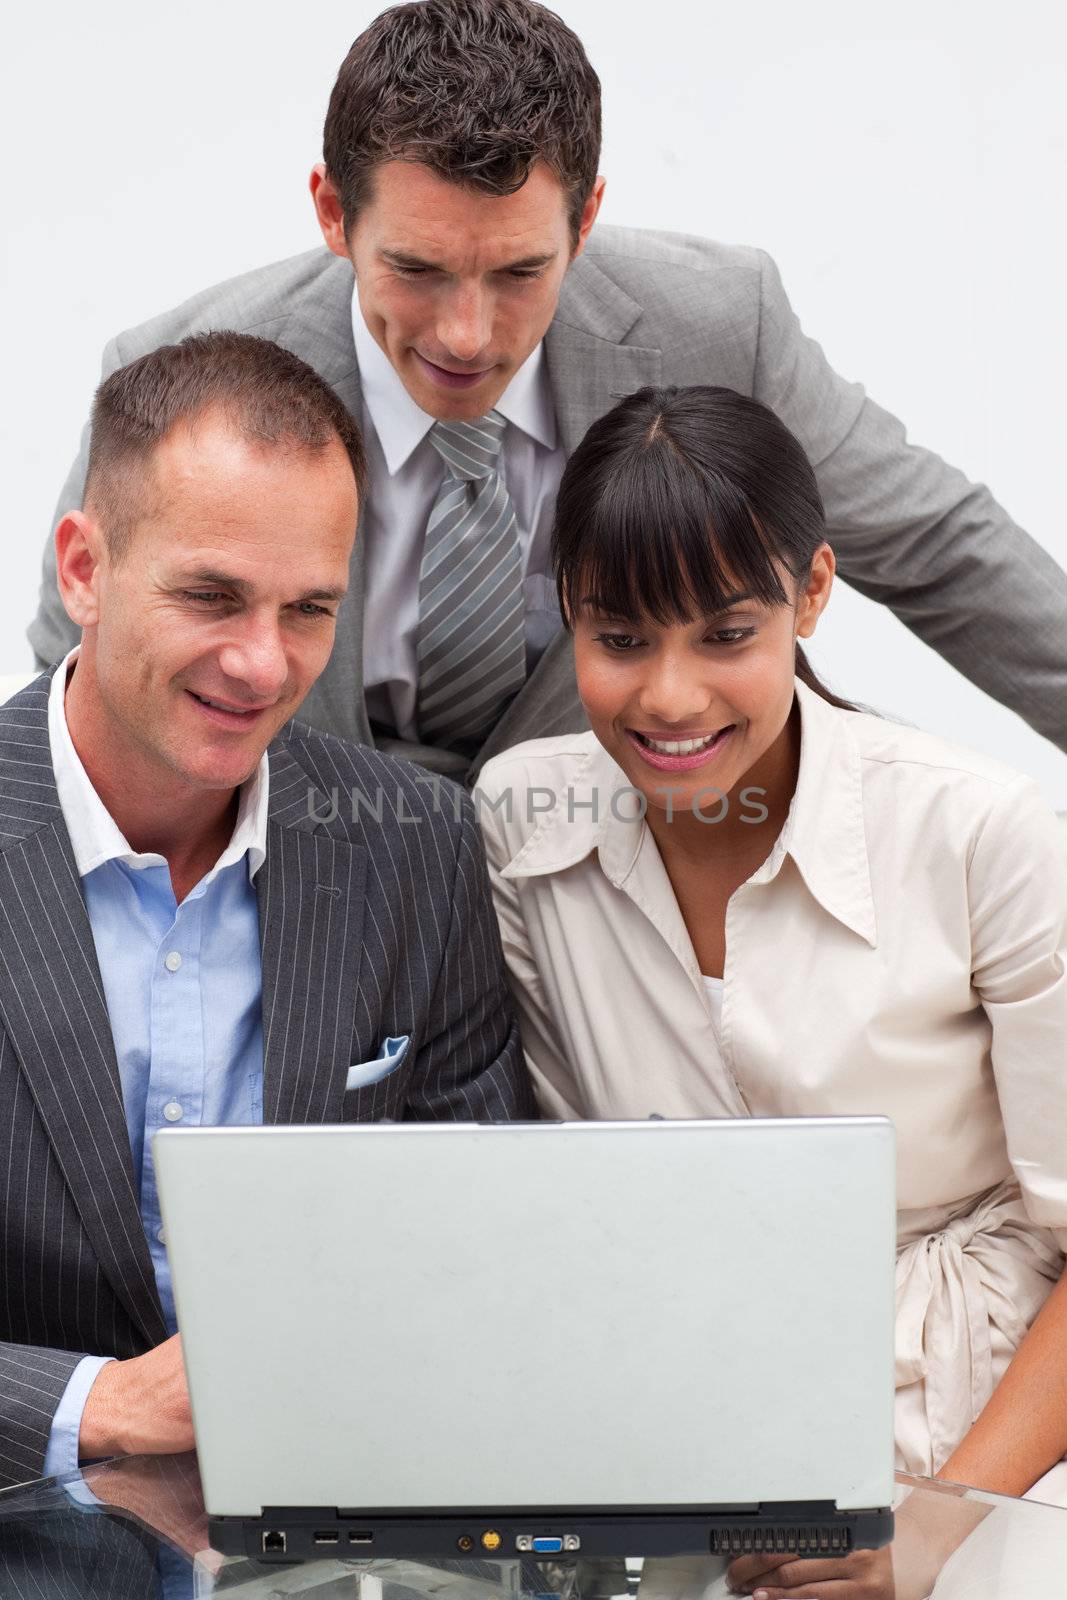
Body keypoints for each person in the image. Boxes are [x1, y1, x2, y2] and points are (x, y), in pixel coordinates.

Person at [27, 0, 1067, 783]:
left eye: (519, 272)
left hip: (630, 871)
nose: (466, 336)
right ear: (333, 213)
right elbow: (78, 671)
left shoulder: (716, 324)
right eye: (418, 270)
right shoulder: (180, 368)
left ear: (586, 217)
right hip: (312, 882)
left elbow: (938, 549)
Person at [473, 385, 1067, 1517]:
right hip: (671, 1440)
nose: (669, 695)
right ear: (566, 612)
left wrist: (940, 1526)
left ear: (812, 593)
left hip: (980, 1453)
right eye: (620, 638)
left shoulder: (977, 828)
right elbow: (562, 1192)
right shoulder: (518, 820)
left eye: (726, 634)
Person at [0, 330, 531, 1491]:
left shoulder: (418, 848)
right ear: (82, 569)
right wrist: (98, 1401)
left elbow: (471, 1255)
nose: (261, 663)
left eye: (307, 610)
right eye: (211, 595)